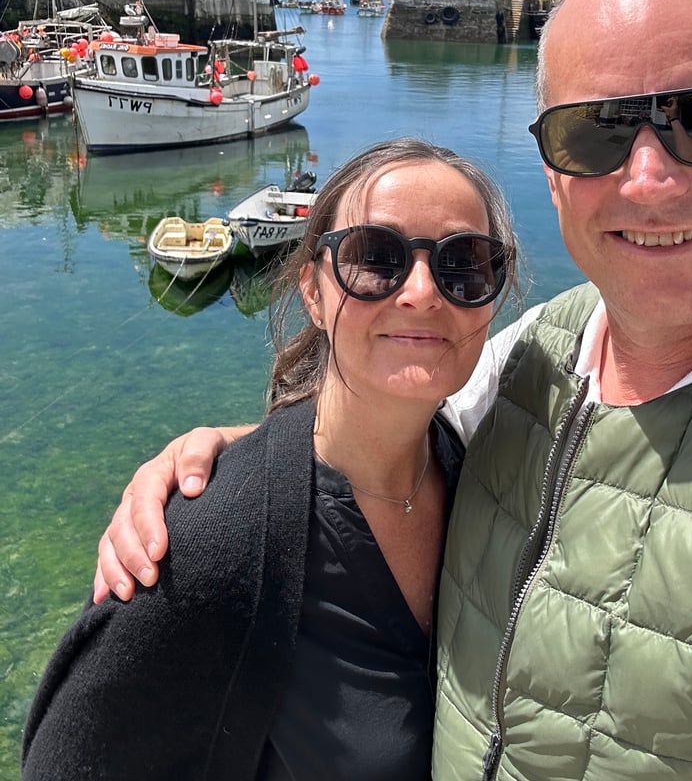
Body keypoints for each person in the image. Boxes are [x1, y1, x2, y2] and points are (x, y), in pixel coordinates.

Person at [91, 0, 692, 779]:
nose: (647, 178)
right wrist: (241, 466)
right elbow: (381, 423)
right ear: (553, 173)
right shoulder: (537, 354)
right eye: (596, 131)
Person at [21, 137, 519, 780]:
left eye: (464, 264)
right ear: (312, 290)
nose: (422, 292)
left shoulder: (483, 475)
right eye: (375, 258)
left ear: (494, 293)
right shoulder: (205, 544)